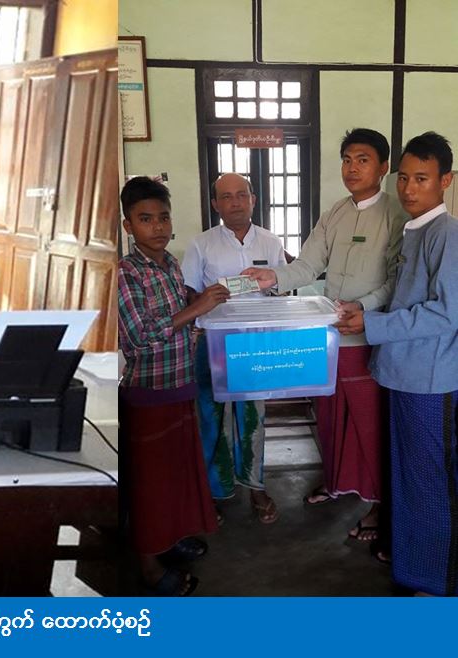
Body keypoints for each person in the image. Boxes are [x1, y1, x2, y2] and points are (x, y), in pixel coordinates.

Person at [241, 128, 406, 541]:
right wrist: (271, 276)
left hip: (369, 338)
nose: (352, 168)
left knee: (368, 424)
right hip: (330, 337)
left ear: (383, 168)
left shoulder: (396, 215)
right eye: (347, 159)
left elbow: (395, 280)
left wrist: (364, 308)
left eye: (363, 160)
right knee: (331, 419)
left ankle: (376, 504)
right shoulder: (334, 213)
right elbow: (308, 265)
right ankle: (336, 482)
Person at [335, 131, 458, 597]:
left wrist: (373, 324)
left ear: (445, 181)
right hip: (404, 374)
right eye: (404, 178)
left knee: (429, 484)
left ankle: (437, 581)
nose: (408, 188)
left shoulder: (447, 235)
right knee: (407, 479)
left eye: (422, 178)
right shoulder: (414, 230)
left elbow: (446, 313)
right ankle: (412, 567)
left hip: (431, 381)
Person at [117, 176, 227, 596]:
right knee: (149, 487)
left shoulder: (169, 265)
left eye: (163, 218)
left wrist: (205, 297)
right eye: (145, 219)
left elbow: (179, 308)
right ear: (128, 226)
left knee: (177, 476)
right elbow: (138, 338)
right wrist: (196, 309)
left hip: (181, 386)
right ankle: (148, 566)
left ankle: (171, 539)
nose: (158, 227)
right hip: (148, 395)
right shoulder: (125, 273)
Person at [183, 173, 287, 523]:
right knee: (211, 418)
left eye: (242, 194)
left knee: (253, 418)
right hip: (212, 343)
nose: (236, 202)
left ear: (253, 199)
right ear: (216, 204)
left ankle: (256, 486)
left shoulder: (270, 242)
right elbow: (188, 293)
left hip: (255, 342)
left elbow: (282, 289)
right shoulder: (201, 244)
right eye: (226, 197)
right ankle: (213, 491)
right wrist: (207, 297)